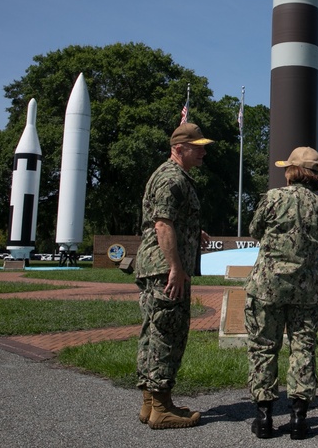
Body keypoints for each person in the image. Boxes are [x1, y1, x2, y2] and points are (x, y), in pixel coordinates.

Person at [244, 147, 318, 440]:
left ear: (292, 171)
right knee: (302, 349)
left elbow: (254, 230)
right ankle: (298, 419)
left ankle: (265, 418)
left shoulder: (273, 198)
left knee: (263, 348)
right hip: (308, 288)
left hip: (267, 285)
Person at [134, 122, 213, 430]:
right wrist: (176, 269)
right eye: (198, 146)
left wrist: (195, 231)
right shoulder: (171, 178)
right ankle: (163, 408)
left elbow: (169, 219)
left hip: (155, 267)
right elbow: (163, 224)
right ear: (179, 148)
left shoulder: (172, 175)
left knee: (153, 334)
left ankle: (150, 404)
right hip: (165, 270)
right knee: (167, 335)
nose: (204, 152)